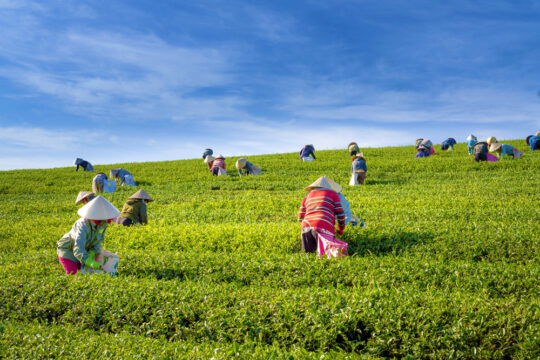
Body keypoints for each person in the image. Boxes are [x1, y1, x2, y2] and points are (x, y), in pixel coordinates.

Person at [57, 196, 120, 275]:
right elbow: (78, 248)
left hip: (84, 251)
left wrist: (92, 253)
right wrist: (90, 262)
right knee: (73, 273)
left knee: (86, 273)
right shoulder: (82, 225)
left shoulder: (102, 223)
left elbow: (98, 241)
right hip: (68, 250)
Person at [298, 176, 346, 253]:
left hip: (306, 226)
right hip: (324, 226)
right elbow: (340, 215)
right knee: (326, 255)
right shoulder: (333, 194)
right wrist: (340, 229)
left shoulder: (307, 197)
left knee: (308, 255)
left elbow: (300, 217)